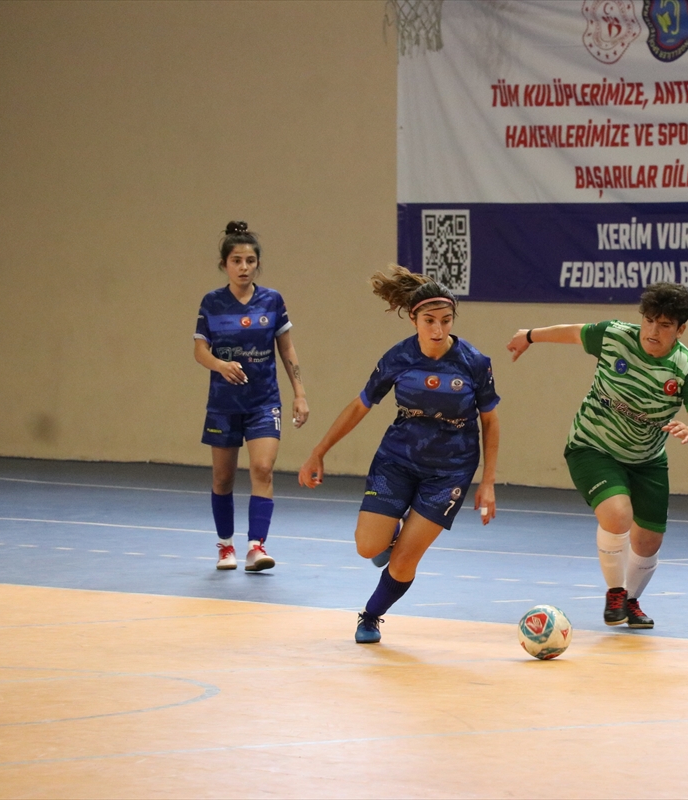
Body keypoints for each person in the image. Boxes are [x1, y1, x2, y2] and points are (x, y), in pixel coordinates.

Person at [298, 266, 499, 644]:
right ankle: (392, 530)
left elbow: (490, 421)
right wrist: (319, 451)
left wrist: (487, 482)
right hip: (398, 460)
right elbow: (360, 405)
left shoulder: (474, 362)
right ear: (413, 320)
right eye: (429, 321)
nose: (438, 329)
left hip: (450, 471)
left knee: (405, 560)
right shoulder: (399, 357)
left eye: (445, 320)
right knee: (368, 548)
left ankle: (371, 616)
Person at [507, 283, 688, 630]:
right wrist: (529, 335)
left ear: (680, 330)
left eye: (665, 325)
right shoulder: (615, 336)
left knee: (649, 541)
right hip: (593, 445)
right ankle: (615, 592)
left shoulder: (686, 368)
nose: (653, 330)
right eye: (649, 320)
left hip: (647, 459)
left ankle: (630, 601)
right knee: (618, 516)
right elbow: (572, 332)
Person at [193, 221, 309, 572]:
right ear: (224, 264)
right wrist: (220, 365)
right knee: (222, 478)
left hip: (264, 401)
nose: (244, 267)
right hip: (223, 405)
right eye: (236, 261)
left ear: (257, 264)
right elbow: (200, 350)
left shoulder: (272, 300)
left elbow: (286, 349)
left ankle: (256, 547)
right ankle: (225, 546)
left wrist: (300, 394)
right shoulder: (212, 302)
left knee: (262, 468)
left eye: (250, 261)